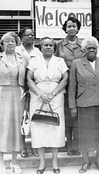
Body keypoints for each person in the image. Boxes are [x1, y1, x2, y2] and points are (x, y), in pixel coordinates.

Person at [0, 32, 28, 174]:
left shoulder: (23, 58)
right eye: (7, 41)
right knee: (2, 129)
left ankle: (15, 162)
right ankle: (1, 163)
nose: (10, 43)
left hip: (18, 96)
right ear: (2, 43)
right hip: (0, 96)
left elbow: (28, 80)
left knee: (16, 129)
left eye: (13, 41)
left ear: (17, 43)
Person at [27, 36, 68, 174]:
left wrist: (53, 93)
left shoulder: (60, 61)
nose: (49, 47)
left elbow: (65, 78)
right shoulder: (34, 61)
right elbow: (29, 79)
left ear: (54, 47)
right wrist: (40, 94)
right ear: (41, 47)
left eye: (51, 45)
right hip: (38, 97)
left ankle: (55, 161)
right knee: (39, 127)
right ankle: (42, 162)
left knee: (55, 127)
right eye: (46, 45)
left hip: (56, 97)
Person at [68, 36, 99, 173]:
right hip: (84, 104)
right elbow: (72, 87)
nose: (91, 50)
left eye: (94, 48)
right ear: (83, 50)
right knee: (84, 134)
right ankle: (85, 162)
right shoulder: (76, 63)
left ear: (97, 49)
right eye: (88, 48)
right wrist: (72, 106)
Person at [54, 16, 84, 156]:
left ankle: (77, 143)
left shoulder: (83, 44)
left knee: (79, 114)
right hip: (64, 83)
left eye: (74, 26)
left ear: (78, 28)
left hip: (81, 83)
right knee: (67, 114)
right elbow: (54, 63)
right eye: (69, 26)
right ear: (65, 28)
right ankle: (69, 143)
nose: (71, 28)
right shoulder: (59, 45)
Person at [16, 27, 42, 158]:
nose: (30, 37)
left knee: (34, 117)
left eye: (32, 35)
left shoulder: (38, 52)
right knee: (22, 118)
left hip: (35, 88)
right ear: (21, 37)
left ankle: (35, 145)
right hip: (20, 88)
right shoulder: (16, 51)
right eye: (27, 35)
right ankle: (22, 146)